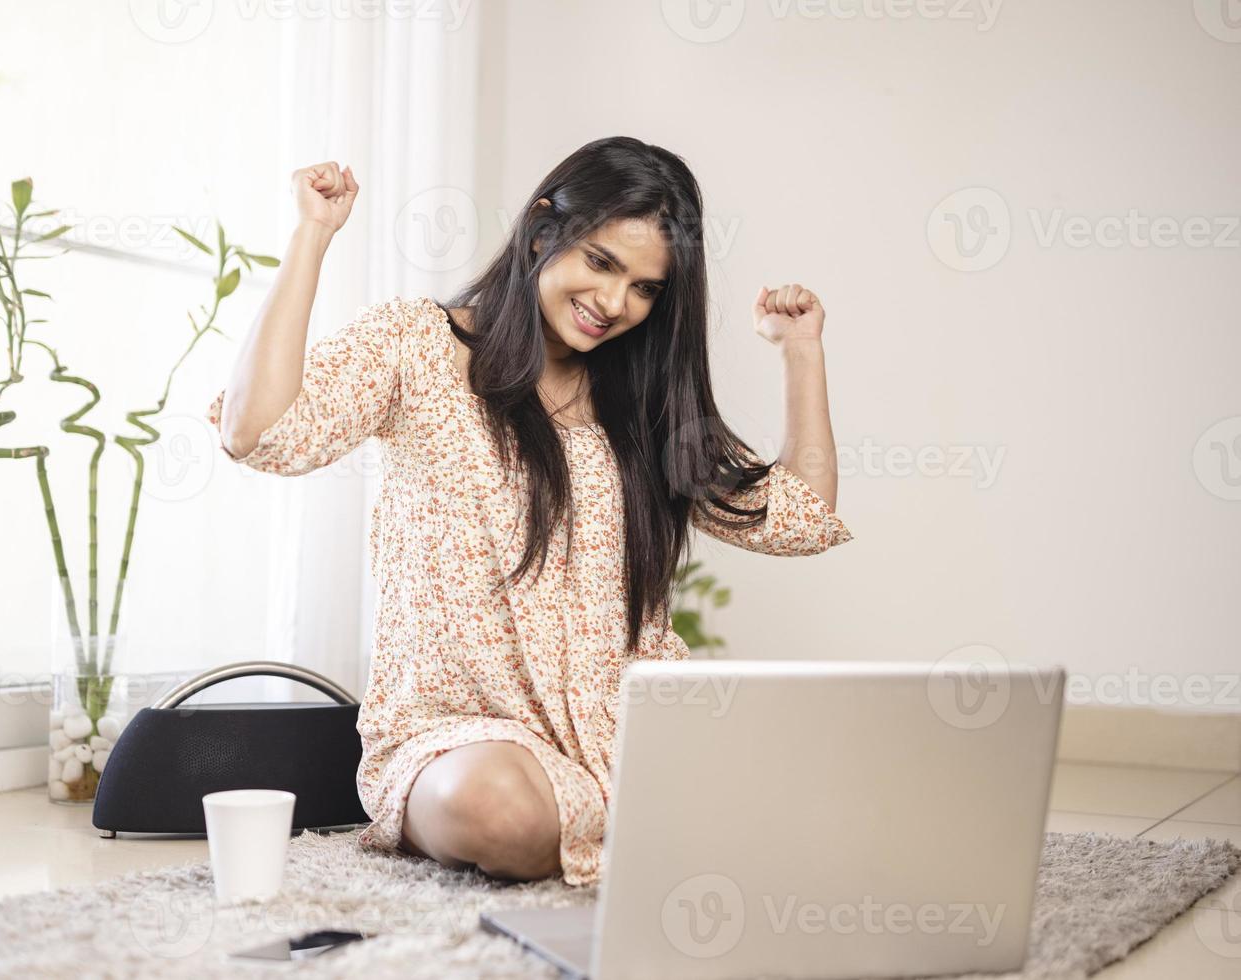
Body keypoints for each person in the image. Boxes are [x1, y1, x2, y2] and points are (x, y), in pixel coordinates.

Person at [207, 136, 853, 887]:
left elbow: (798, 520)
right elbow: (257, 432)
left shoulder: (639, 404)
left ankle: (655, 833)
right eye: (603, 263)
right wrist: (312, 236)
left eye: (645, 288)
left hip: (632, 735)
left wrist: (801, 351)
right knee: (504, 813)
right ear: (544, 230)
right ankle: (664, 847)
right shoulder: (418, 344)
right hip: (457, 742)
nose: (614, 303)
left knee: (831, 782)